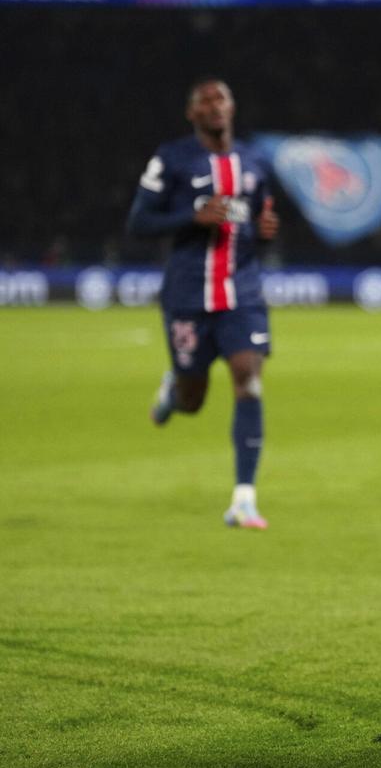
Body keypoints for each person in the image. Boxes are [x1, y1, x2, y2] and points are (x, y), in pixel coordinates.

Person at [127, 78, 279, 529]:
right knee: (193, 399)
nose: (215, 105)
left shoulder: (254, 160)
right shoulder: (172, 158)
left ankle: (243, 500)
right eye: (205, 100)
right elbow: (139, 221)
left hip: (242, 293)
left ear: (232, 107)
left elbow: (254, 220)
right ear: (191, 113)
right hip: (189, 295)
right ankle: (174, 390)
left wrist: (265, 230)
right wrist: (191, 217)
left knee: (248, 378)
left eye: (221, 98)